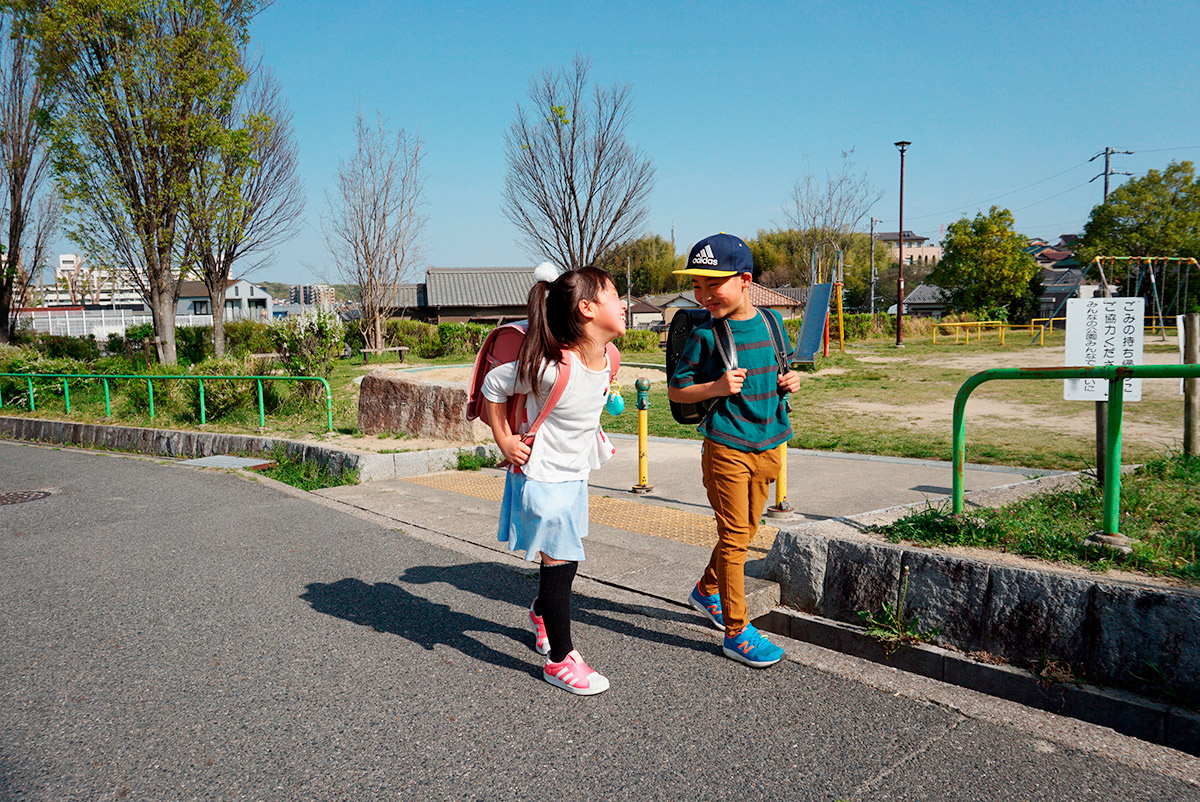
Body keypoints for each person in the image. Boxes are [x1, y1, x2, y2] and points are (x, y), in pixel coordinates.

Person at [481, 264, 626, 695]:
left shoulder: (610, 358)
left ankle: (543, 612)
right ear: (586, 309)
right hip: (540, 474)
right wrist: (505, 441)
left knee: (568, 556)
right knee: (560, 559)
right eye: (614, 295)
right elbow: (493, 384)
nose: (623, 303)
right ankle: (560, 659)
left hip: (574, 474)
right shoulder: (549, 367)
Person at [667, 233, 801, 668]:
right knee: (734, 539)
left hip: (770, 443)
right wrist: (716, 388)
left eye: (713, 284)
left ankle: (706, 590)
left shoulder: (772, 324)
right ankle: (736, 631)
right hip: (726, 446)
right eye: (698, 286)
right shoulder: (706, 335)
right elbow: (678, 389)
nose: (704, 295)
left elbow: (779, 367)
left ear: (744, 280)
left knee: (745, 532)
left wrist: (790, 381)